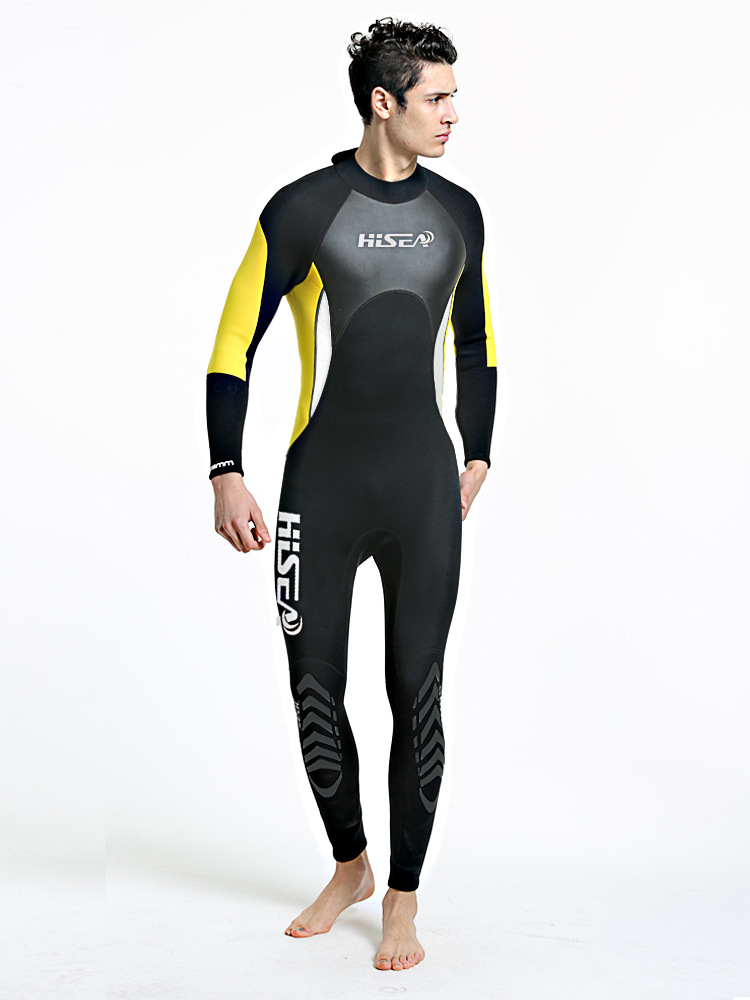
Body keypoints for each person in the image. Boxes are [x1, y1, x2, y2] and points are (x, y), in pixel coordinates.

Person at [205, 16, 497, 972]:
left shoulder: (459, 212)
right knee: (314, 692)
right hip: (317, 490)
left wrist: (480, 453)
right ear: (383, 102)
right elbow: (232, 344)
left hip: (421, 490)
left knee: (418, 691)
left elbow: (477, 342)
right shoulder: (303, 209)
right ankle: (351, 865)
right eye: (436, 98)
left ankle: (403, 896)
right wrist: (225, 470)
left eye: (453, 96)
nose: (453, 114)